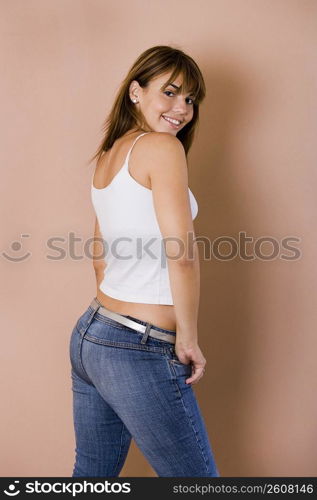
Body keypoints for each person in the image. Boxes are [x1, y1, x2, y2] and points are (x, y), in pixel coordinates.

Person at [69, 45, 220, 477]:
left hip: (93, 335)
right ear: (136, 91)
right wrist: (187, 339)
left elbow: (99, 255)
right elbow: (182, 253)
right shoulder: (161, 148)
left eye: (191, 99)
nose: (182, 108)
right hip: (139, 345)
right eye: (170, 93)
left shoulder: (110, 153)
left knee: (92, 478)